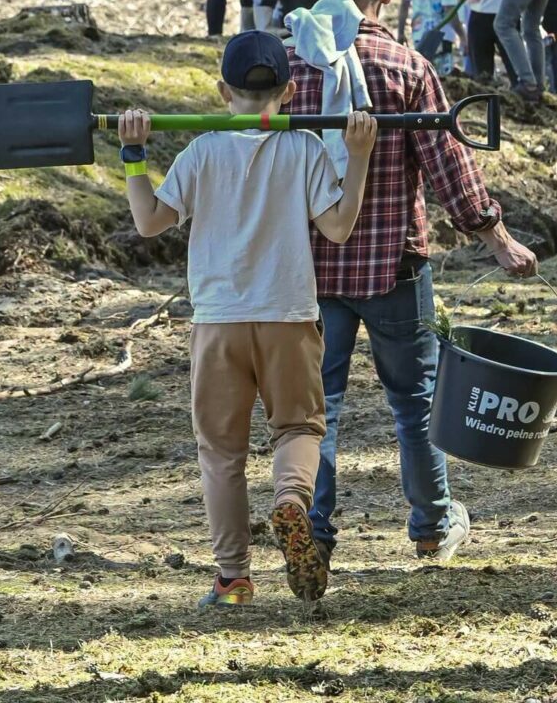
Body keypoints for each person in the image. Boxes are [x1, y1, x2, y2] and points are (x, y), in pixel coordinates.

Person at [282, 0, 537, 566]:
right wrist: (495, 236)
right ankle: (430, 525)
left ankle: (314, 528)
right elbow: (447, 162)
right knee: (415, 402)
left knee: (322, 409)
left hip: (309, 268)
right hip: (393, 265)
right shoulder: (405, 67)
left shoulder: (287, 67)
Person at [118, 30, 376, 607]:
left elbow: (149, 221)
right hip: (287, 316)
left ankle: (233, 578)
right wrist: (357, 158)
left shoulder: (201, 150)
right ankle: (291, 497)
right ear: (286, 91)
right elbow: (338, 227)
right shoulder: (306, 147)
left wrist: (133, 154)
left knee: (221, 452)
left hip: (219, 323)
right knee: (300, 428)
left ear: (221, 91)